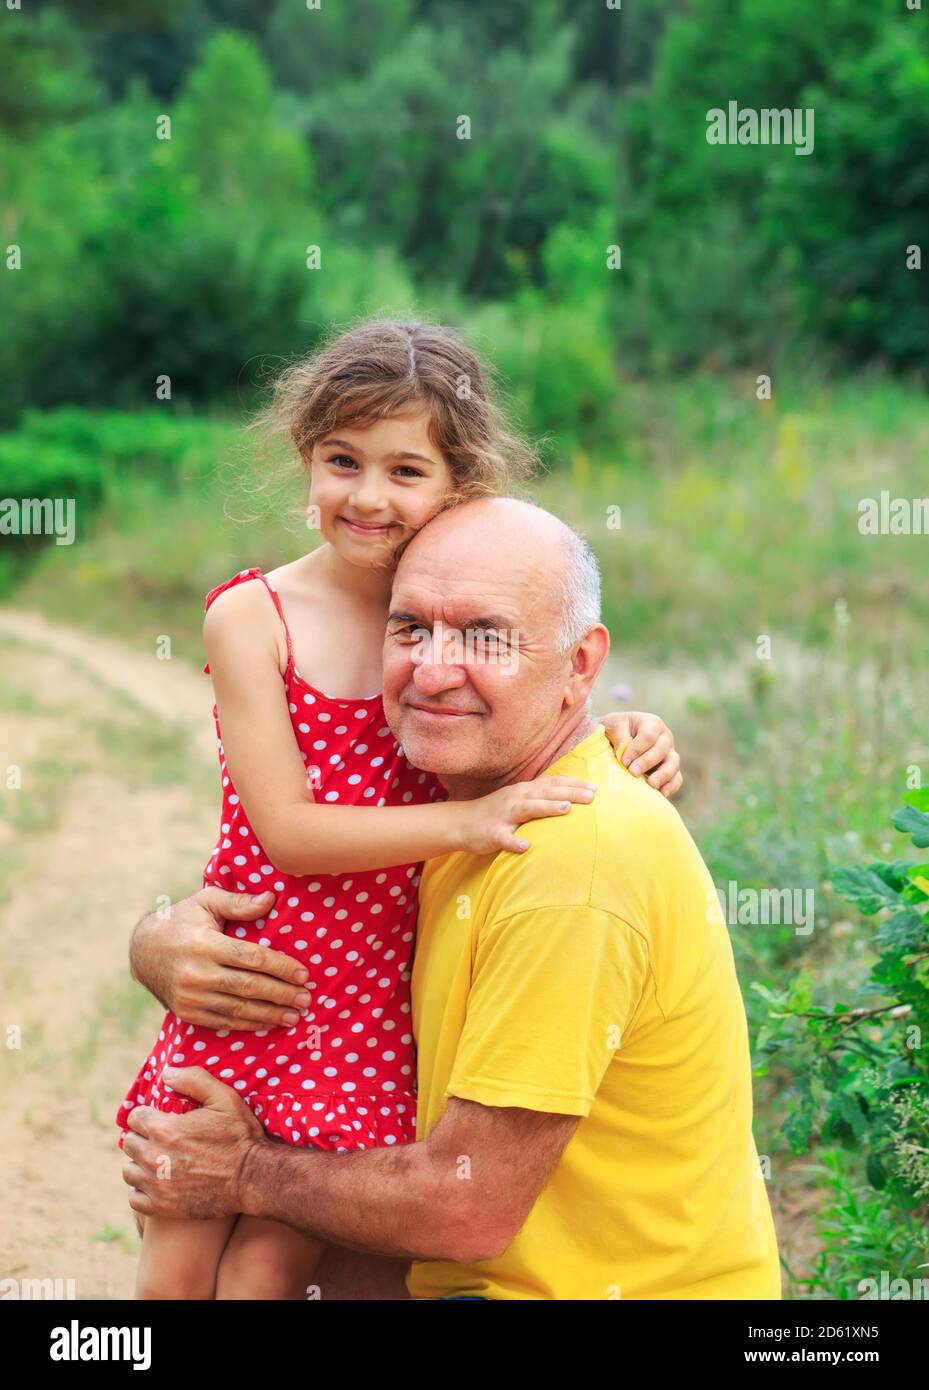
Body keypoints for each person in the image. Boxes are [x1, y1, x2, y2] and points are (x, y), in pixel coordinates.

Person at [115, 319, 682, 1300]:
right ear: (304, 457)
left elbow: (548, 684)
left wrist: (633, 728)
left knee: (266, 1270)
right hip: (259, 984)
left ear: (457, 482)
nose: (368, 496)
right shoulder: (254, 616)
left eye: (405, 470)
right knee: (175, 1260)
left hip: (370, 1015)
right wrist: (465, 821)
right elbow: (287, 832)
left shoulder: (443, 613)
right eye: (343, 460)